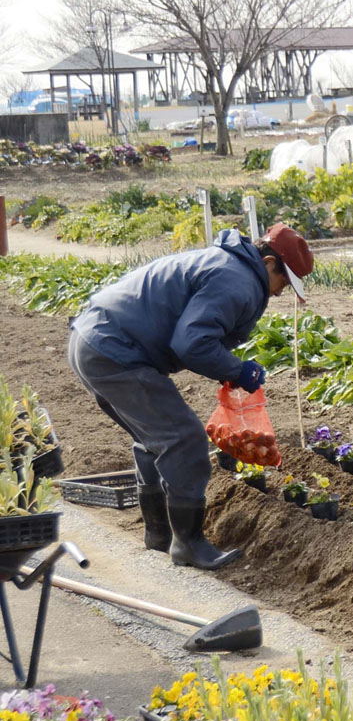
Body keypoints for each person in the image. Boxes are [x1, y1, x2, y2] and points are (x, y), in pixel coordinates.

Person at [68, 223, 313, 570]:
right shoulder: (237, 280)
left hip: (93, 341)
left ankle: (160, 535)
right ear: (269, 262)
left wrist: (229, 365)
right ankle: (189, 544)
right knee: (184, 440)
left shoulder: (225, 264)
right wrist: (235, 370)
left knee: (154, 437)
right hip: (114, 350)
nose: (278, 293)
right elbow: (192, 343)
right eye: (283, 282)